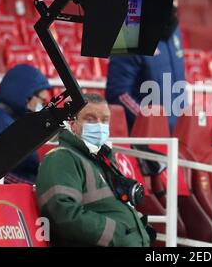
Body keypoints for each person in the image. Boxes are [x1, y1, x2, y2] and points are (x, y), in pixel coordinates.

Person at [36, 93, 151, 247]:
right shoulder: (62, 158)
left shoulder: (102, 159)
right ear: (72, 123)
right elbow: (62, 213)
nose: (99, 125)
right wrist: (118, 234)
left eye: (104, 120)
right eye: (90, 119)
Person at [106, 0, 186, 133]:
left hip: (175, 136)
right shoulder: (130, 36)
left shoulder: (174, 31)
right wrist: (149, 121)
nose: (172, 5)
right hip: (145, 138)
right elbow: (118, 93)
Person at [0, 64, 51, 184]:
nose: (42, 106)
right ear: (27, 96)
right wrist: (33, 186)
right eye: (42, 101)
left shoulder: (12, 121)